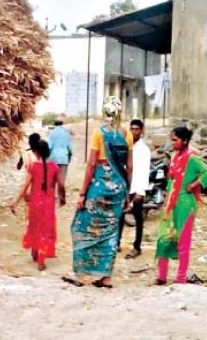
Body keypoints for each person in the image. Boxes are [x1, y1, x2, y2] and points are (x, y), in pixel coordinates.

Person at [62, 96, 133, 289]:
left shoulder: (98, 133)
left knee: (81, 226)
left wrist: (83, 193)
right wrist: (127, 196)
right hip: (118, 189)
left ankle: (79, 273)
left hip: (99, 186)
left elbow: (92, 164)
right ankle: (106, 277)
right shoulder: (127, 135)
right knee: (111, 231)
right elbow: (129, 167)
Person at [154, 126, 207, 285]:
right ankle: (161, 277)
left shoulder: (192, 158)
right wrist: (166, 201)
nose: (172, 143)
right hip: (171, 204)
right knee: (163, 238)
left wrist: (195, 184)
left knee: (183, 241)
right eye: (172, 139)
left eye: (175, 140)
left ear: (185, 140)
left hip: (186, 204)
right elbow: (171, 181)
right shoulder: (174, 157)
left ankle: (180, 279)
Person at [10, 140, 66, 271]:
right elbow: (61, 184)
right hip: (48, 203)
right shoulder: (54, 166)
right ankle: (41, 259)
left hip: (35, 202)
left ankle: (35, 251)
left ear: (36, 152)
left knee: (35, 225)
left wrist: (15, 202)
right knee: (45, 229)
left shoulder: (33, 167)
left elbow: (25, 186)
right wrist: (63, 197)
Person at [119, 119, 150, 259]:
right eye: (132, 129)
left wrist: (140, 191)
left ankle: (137, 247)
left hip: (137, 187)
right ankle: (116, 243)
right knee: (120, 215)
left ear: (142, 132)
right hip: (125, 187)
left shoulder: (144, 150)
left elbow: (143, 171)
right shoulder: (125, 146)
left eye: (137, 129)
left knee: (138, 218)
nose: (134, 132)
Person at [47, 115, 72, 183]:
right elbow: (70, 148)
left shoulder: (51, 133)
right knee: (61, 181)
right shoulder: (66, 133)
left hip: (53, 159)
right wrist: (69, 158)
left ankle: (53, 193)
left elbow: (49, 147)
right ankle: (60, 193)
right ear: (62, 124)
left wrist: (46, 159)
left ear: (55, 124)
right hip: (64, 158)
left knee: (52, 181)